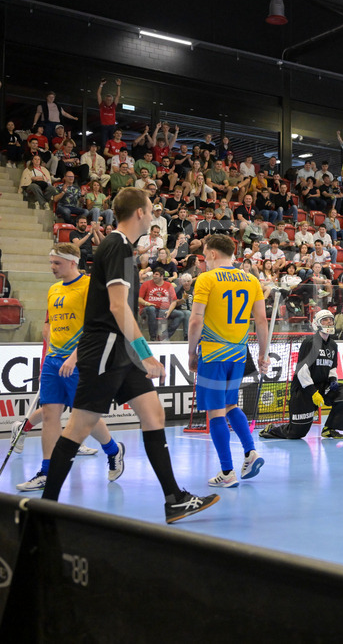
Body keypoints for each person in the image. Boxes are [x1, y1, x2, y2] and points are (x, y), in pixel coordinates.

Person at [40, 187, 220, 524]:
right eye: (151, 209)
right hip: (108, 348)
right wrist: (146, 354)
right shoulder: (119, 246)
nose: (153, 214)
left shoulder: (119, 247)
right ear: (139, 212)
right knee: (79, 427)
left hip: (118, 348)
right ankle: (45, 508)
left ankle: (175, 499)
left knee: (153, 414)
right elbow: (117, 306)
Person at [12, 244, 125, 492]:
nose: (52, 267)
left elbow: (94, 327)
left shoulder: (89, 287)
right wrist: (51, 353)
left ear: (73, 262)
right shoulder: (53, 290)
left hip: (79, 360)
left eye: (57, 263)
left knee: (84, 416)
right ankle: (46, 471)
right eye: (51, 262)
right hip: (54, 360)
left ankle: (113, 450)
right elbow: (51, 324)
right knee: (51, 414)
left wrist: (75, 356)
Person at [187, 235, 270, 488]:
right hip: (238, 353)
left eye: (204, 254)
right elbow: (262, 320)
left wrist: (191, 352)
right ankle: (250, 451)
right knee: (231, 404)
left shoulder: (207, 278)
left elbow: (195, 320)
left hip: (213, 354)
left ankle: (227, 472)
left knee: (215, 412)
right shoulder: (251, 279)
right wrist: (263, 355)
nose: (203, 259)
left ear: (212, 253)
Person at [259, 311, 343, 440]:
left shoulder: (333, 345)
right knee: (296, 433)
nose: (329, 322)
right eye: (325, 320)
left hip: (323, 386)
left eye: (331, 320)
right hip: (304, 390)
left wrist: (333, 382)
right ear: (317, 323)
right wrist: (313, 393)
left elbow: (332, 367)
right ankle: (272, 429)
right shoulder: (309, 342)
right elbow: (302, 371)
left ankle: (330, 429)